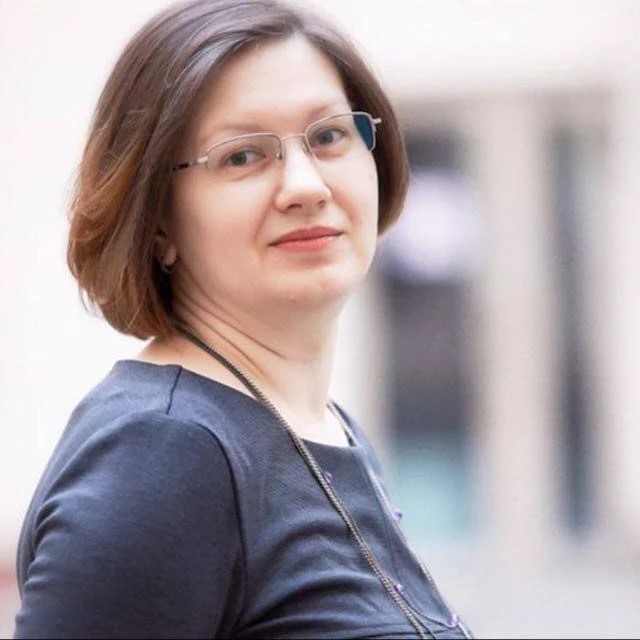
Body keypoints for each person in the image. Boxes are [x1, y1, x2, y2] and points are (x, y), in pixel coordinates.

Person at [13, 0, 472, 638]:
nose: (306, 185)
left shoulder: (323, 428)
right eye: (242, 156)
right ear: (158, 221)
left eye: (329, 136)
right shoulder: (163, 453)